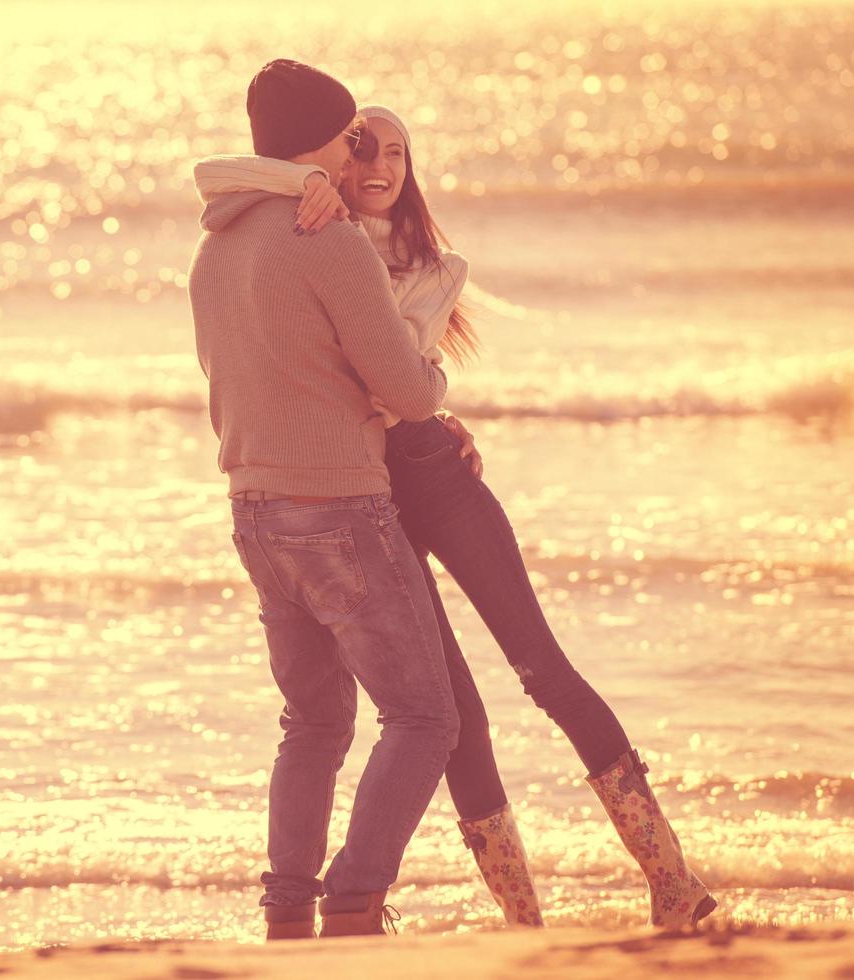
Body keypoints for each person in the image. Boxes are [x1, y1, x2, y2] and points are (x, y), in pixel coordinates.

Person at [193, 104, 718, 930]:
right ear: (331, 158)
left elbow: (392, 381)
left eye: (399, 153)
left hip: (431, 477)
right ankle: (522, 918)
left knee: (543, 670)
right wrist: (307, 191)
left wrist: (434, 411)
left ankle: (671, 878)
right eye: (362, 148)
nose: (381, 166)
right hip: (366, 495)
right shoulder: (310, 229)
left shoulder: (428, 263)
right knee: (453, 712)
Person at [188, 60, 462, 941]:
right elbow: (411, 394)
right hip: (339, 507)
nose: (360, 150)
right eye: (352, 135)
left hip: (253, 507)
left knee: (312, 722)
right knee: (424, 718)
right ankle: (354, 900)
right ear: (329, 138)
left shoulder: (217, 243)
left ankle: (288, 914)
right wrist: (433, 371)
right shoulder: (331, 242)